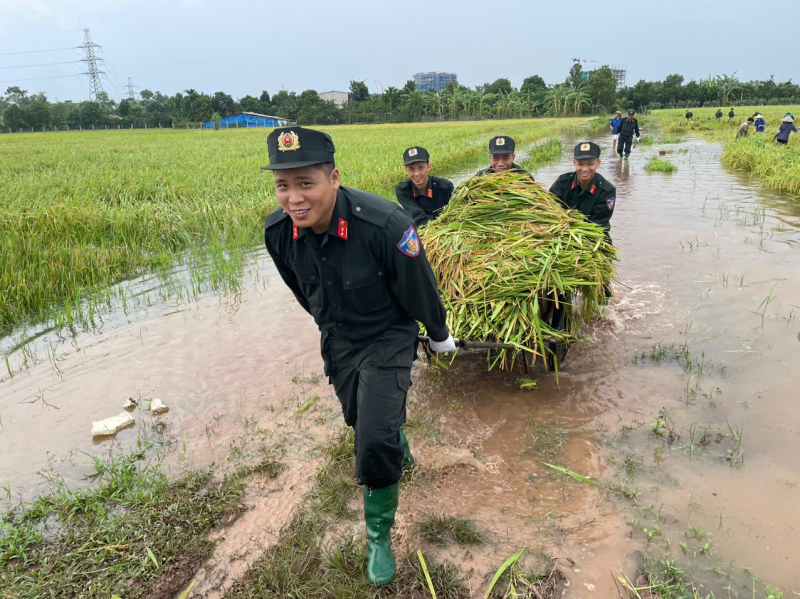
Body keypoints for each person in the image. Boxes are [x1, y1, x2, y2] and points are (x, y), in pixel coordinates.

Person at [262, 127, 457, 586]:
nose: (294, 198)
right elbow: (302, 291)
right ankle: (398, 447)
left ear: (333, 178)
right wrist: (329, 324)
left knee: (370, 440)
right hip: (339, 339)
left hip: (388, 335)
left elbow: (419, 286)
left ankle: (378, 537)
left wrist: (438, 333)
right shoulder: (279, 233)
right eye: (283, 185)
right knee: (360, 419)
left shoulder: (385, 224)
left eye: (306, 183)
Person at [549, 142, 616, 244]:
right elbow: (550, 209)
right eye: (580, 164)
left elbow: (598, 225)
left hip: (594, 238)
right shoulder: (562, 183)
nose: (584, 169)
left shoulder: (606, 190)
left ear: (598, 163)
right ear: (574, 163)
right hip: (562, 233)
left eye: (590, 163)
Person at [394, 146, 454, 228]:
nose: (416, 174)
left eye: (421, 167)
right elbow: (417, 216)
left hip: (446, 228)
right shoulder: (403, 190)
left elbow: (453, 213)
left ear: (429, 167)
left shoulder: (446, 187)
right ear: (406, 170)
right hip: (421, 230)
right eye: (411, 169)